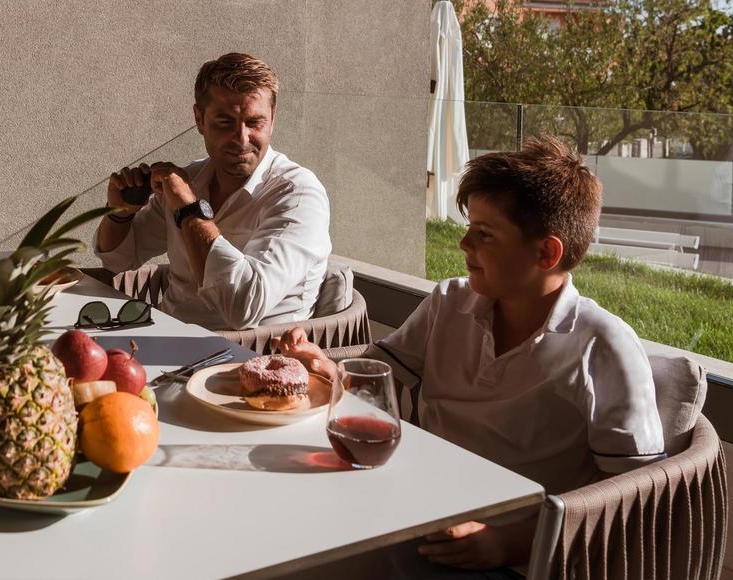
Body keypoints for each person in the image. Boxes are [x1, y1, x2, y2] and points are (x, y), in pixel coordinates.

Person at [278, 136, 664, 575]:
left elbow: (636, 495)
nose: (463, 244)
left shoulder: (602, 347)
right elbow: (377, 386)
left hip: (503, 553)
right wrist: (324, 366)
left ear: (546, 252)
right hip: (405, 507)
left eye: (483, 234)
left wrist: (511, 541)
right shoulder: (448, 303)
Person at [95, 52, 331, 330]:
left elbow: (242, 307)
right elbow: (117, 260)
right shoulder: (190, 179)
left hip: (249, 360)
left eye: (255, 122)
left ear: (273, 118)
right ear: (199, 119)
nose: (242, 139)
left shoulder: (298, 195)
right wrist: (122, 213)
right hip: (167, 341)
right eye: (224, 122)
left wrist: (188, 208)